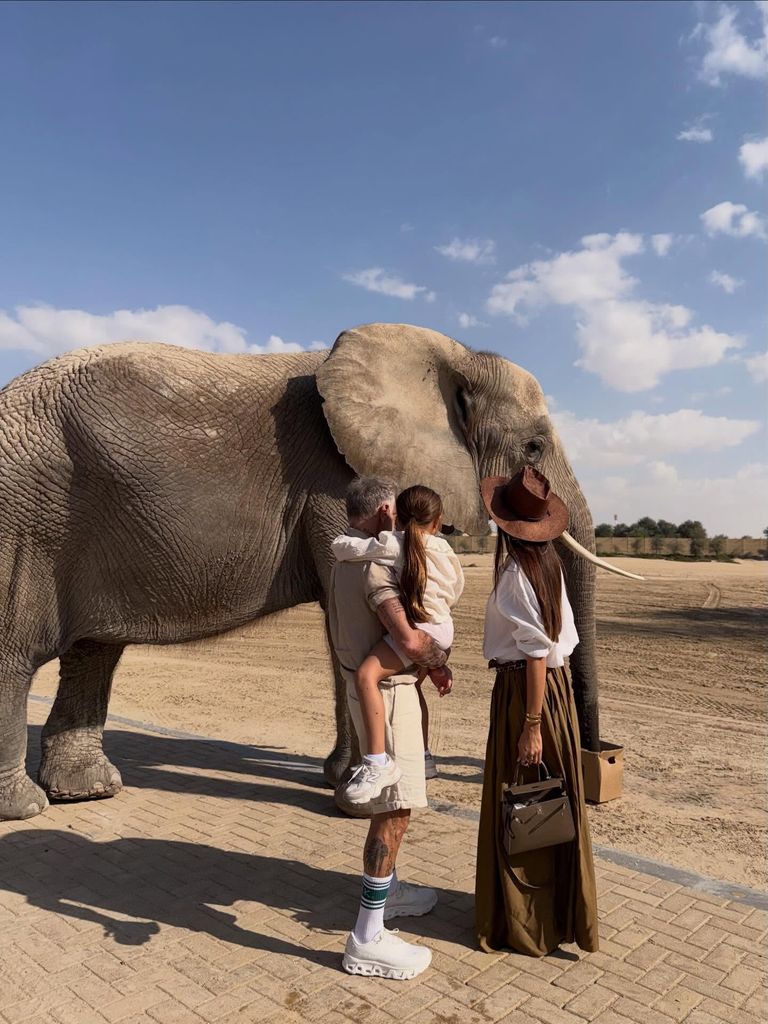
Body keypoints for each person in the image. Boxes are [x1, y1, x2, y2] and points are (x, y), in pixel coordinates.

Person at [327, 476, 454, 979]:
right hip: (390, 696)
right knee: (394, 812)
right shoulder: (379, 565)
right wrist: (439, 661)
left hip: (362, 693)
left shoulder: (344, 558)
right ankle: (368, 935)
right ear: (385, 510)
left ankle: (392, 892)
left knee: (388, 806)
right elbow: (411, 639)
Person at [475, 466, 599, 957]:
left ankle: (527, 922)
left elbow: (533, 653)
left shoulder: (514, 575)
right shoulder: (548, 565)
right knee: (553, 800)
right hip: (555, 693)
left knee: (523, 803)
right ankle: (561, 914)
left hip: (527, 695)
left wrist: (530, 724)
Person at [331, 484, 464, 803]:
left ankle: (377, 762)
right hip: (442, 626)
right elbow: (455, 589)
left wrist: (342, 541)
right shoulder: (444, 549)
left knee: (367, 675)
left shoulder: (392, 546)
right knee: (416, 681)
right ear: (438, 521)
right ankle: (424, 754)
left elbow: (349, 549)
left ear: (397, 516)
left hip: (420, 630)